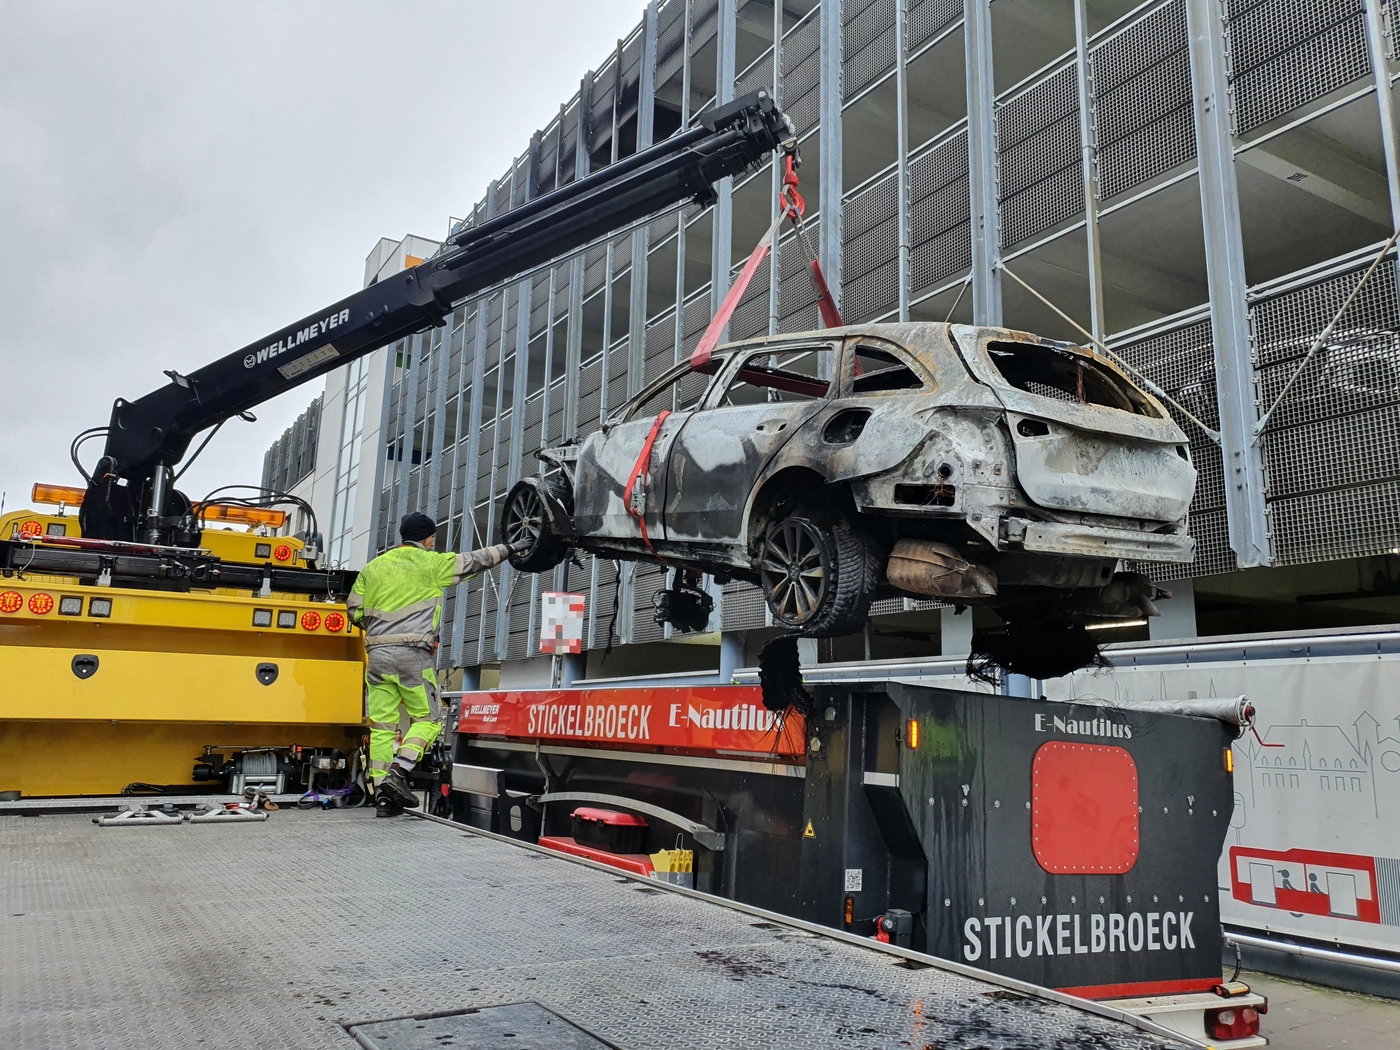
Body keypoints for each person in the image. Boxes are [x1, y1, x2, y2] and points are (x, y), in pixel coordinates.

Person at [347, 511, 514, 816]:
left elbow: (354, 611)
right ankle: (399, 772)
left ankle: (385, 796)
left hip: (377, 658)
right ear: (428, 539)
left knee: (383, 728)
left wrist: (381, 627)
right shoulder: (432, 563)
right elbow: (476, 561)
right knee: (429, 720)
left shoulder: (372, 568)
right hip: (413, 657)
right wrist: (511, 547)